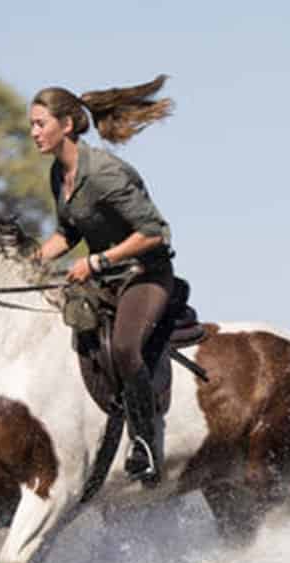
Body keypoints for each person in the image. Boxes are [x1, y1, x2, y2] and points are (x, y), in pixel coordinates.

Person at [29, 76, 177, 485]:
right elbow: (67, 233)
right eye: (32, 125)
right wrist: (31, 261)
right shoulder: (60, 174)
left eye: (41, 124)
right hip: (107, 280)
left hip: (146, 276)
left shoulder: (107, 173)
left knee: (127, 348)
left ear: (67, 126)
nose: (33, 132)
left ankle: (146, 447)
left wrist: (95, 262)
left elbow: (153, 232)